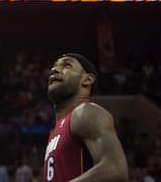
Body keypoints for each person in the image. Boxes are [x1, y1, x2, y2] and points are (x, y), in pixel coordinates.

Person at [44, 53, 128, 181]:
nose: (54, 69)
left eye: (67, 65)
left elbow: (116, 170)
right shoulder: (55, 131)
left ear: (87, 80)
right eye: (55, 66)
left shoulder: (86, 112)